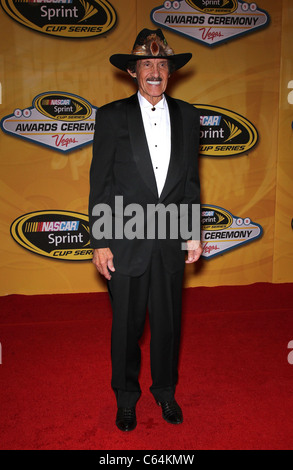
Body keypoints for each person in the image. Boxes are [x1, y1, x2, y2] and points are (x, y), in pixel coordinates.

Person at [89, 28, 202, 432]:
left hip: (170, 240)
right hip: (125, 241)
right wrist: (100, 241)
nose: (154, 71)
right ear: (134, 71)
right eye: (146, 64)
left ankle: (166, 392)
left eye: (161, 64)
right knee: (126, 328)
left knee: (169, 324)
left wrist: (192, 231)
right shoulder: (111, 115)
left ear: (170, 71)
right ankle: (125, 397)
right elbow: (100, 184)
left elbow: (190, 182)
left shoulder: (189, 116)